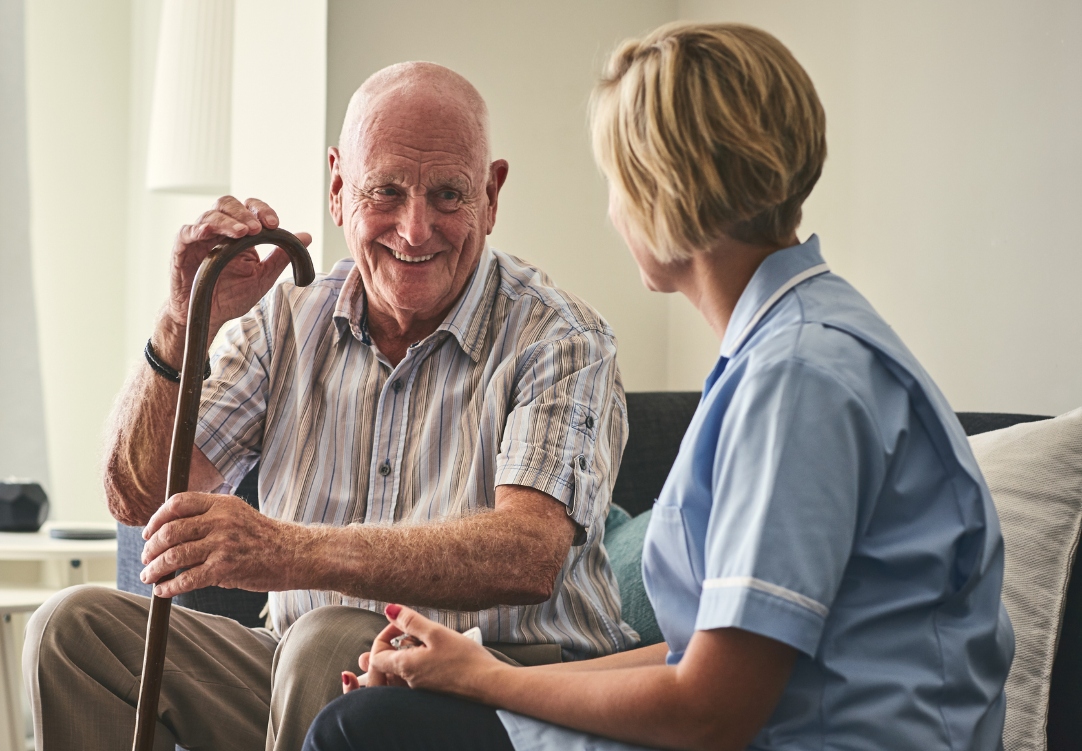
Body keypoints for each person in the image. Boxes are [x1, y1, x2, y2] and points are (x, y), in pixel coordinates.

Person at [304, 22, 1014, 751]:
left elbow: (711, 710)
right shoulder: (790, 346)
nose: (613, 208)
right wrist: (465, 665)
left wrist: (485, 679)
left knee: (363, 732)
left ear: (662, 188)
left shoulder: (796, 380)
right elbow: (705, 658)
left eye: (615, 179)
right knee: (379, 721)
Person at [22, 61, 638, 751]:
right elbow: (138, 496)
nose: (414, 229)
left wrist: (289, 551)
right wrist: (179, 320)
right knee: (71, 629)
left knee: (328, 638)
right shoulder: (285, 322)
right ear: (339, 187)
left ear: (491, 195)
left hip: (501, 684)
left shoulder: (559, 336)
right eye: (386, 192)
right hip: (296, 669)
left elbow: (529, 553)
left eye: (448, 195)